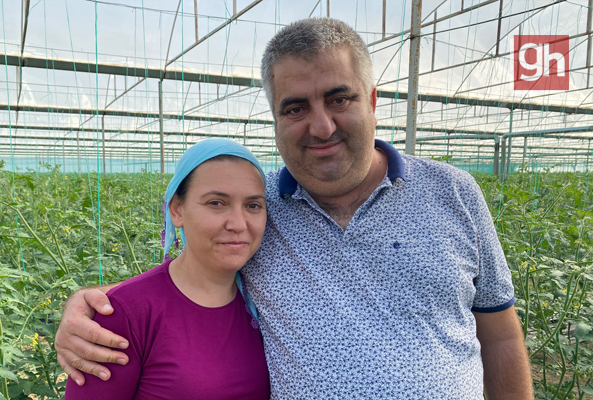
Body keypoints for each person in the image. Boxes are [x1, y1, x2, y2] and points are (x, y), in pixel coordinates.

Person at [55, 18, 533, 399]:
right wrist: (95, 306)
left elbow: (500, 335)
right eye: (296, 107)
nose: (321, 126)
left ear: (370, 101)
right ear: (277, 118)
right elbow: (189, 274)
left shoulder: (454, 192)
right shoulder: (258, 206)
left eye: (339, 98)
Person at [63, 138, 270, 399]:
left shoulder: (267, 298)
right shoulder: (124, 315)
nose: (238, 224)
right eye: (216, 203)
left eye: (253, 206)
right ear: (177, 209)